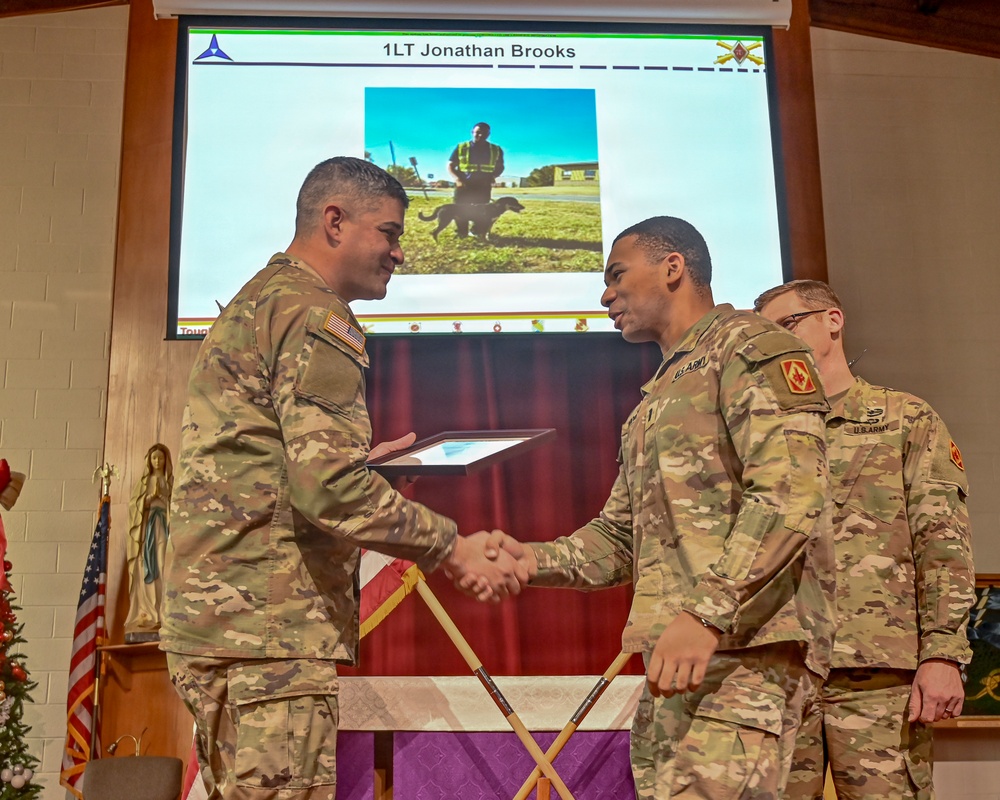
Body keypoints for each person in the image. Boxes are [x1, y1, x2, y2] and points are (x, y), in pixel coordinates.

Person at [159, 156, 525, 800]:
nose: (399, 253)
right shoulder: (312, 312)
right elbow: (324, 485)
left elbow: (266, 460)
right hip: (267, 626)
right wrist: (452, 546)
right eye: (387, 232)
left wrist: (365, 465)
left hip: (228, 617)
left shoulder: (263, 297)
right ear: (335, 221)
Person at [482, 216, 837, 798]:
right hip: (677, 663)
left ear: (673, 267)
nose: (605, 295)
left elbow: (791, 493)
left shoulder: (750, 347)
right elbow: (620, 539)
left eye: (617, 275)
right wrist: (529, 560)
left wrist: (705, 613)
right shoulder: (658, 396)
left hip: (739, 655)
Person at [754, 279, 975, 800]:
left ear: (833, 319)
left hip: (880, 677)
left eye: (788, 325)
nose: (778, 345)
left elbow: (943, 542)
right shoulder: (759, 436)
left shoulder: (904, 418)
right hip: (779, 673)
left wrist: (943, 655)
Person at [124, 443, 173, 643]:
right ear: (149, 461)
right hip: (149, 529)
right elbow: (134, 507)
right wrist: (147, 500)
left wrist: (164, 498)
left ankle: (164, 612)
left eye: (160, 458)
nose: (157, 461)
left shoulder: (169, 482)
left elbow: (176, 505)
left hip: (164, 527)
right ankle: (147, 612)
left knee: (164, 565)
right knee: (147, 566)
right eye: (154, 458)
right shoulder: (144, 482)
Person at [447, 122, 504, 236]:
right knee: (460, 208)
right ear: (472, 132)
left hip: (483, 185)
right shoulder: (461, 147)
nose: (480, 135)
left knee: (482, 209)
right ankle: (461, 232)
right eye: (477, 132)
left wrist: (493, 176)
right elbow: (450, 165)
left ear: (489, 134)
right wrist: (457, 179)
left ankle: (476, 231)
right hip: (464, 184)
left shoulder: (495, 149)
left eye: (484, 133)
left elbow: (500, 166)